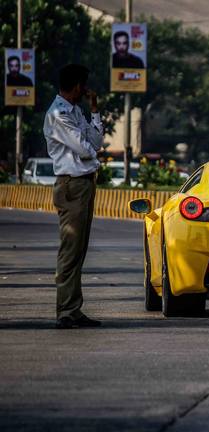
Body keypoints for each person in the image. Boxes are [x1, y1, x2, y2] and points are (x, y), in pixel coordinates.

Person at [43, 64, 104, 329]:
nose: (85, 91)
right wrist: (90, 146)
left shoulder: (76, 111)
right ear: (77, 85)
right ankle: (65, 311)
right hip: (72, 185)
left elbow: (96, 143)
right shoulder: (58, 114)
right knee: (70, 250)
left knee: (79, 250)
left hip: (84, 184)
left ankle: (74, 308)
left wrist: (94, 110)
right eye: (83, 86)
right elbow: (85, 148)